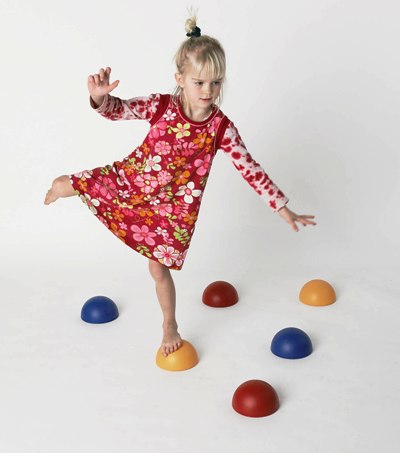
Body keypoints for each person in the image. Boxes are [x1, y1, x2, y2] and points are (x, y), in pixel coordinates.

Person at [44, 14, 316, 357]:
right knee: (74, 185)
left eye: (216, 83)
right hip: (133, 183)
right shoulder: (162, 106)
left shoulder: (221, 128)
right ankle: (62, 184)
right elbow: (119, 110)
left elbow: (250, 168)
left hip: (173, 210)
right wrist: (99, 98)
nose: (208, 91)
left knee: (157, 268)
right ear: (180, 79)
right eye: (199, 82)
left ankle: (169, 325)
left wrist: (281, 207)